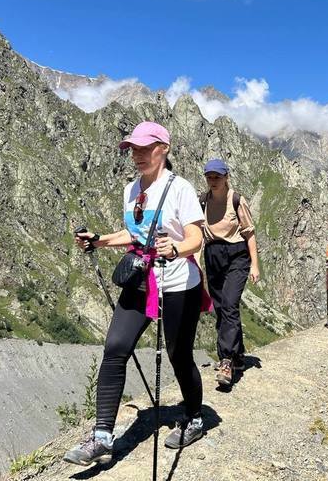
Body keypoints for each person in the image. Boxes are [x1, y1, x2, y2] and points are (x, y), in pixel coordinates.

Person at [65, 122, 210, 466]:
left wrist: (176, 248)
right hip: (142, 280)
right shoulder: (131, 189)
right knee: (116, 347)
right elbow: (134, 235)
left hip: (177, 284)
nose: (137, 155)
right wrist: (99, 240)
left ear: (164, 149)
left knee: (179, 355)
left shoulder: (180, 188)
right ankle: (101, 438)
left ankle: (196, 416)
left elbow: (196, 238)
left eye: (145, 148)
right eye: (132, 149)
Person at [201, 159, 260, 387]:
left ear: (226, 177)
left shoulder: (236, 200)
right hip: (213, 255)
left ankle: (226, 360)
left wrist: (255, 265)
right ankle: (238, 355)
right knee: (220, 308)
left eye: (217, 176)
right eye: (209, 177)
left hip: (237, 254)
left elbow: (249, 233)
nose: (213, 181)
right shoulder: (202, 201)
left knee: (229, 304)